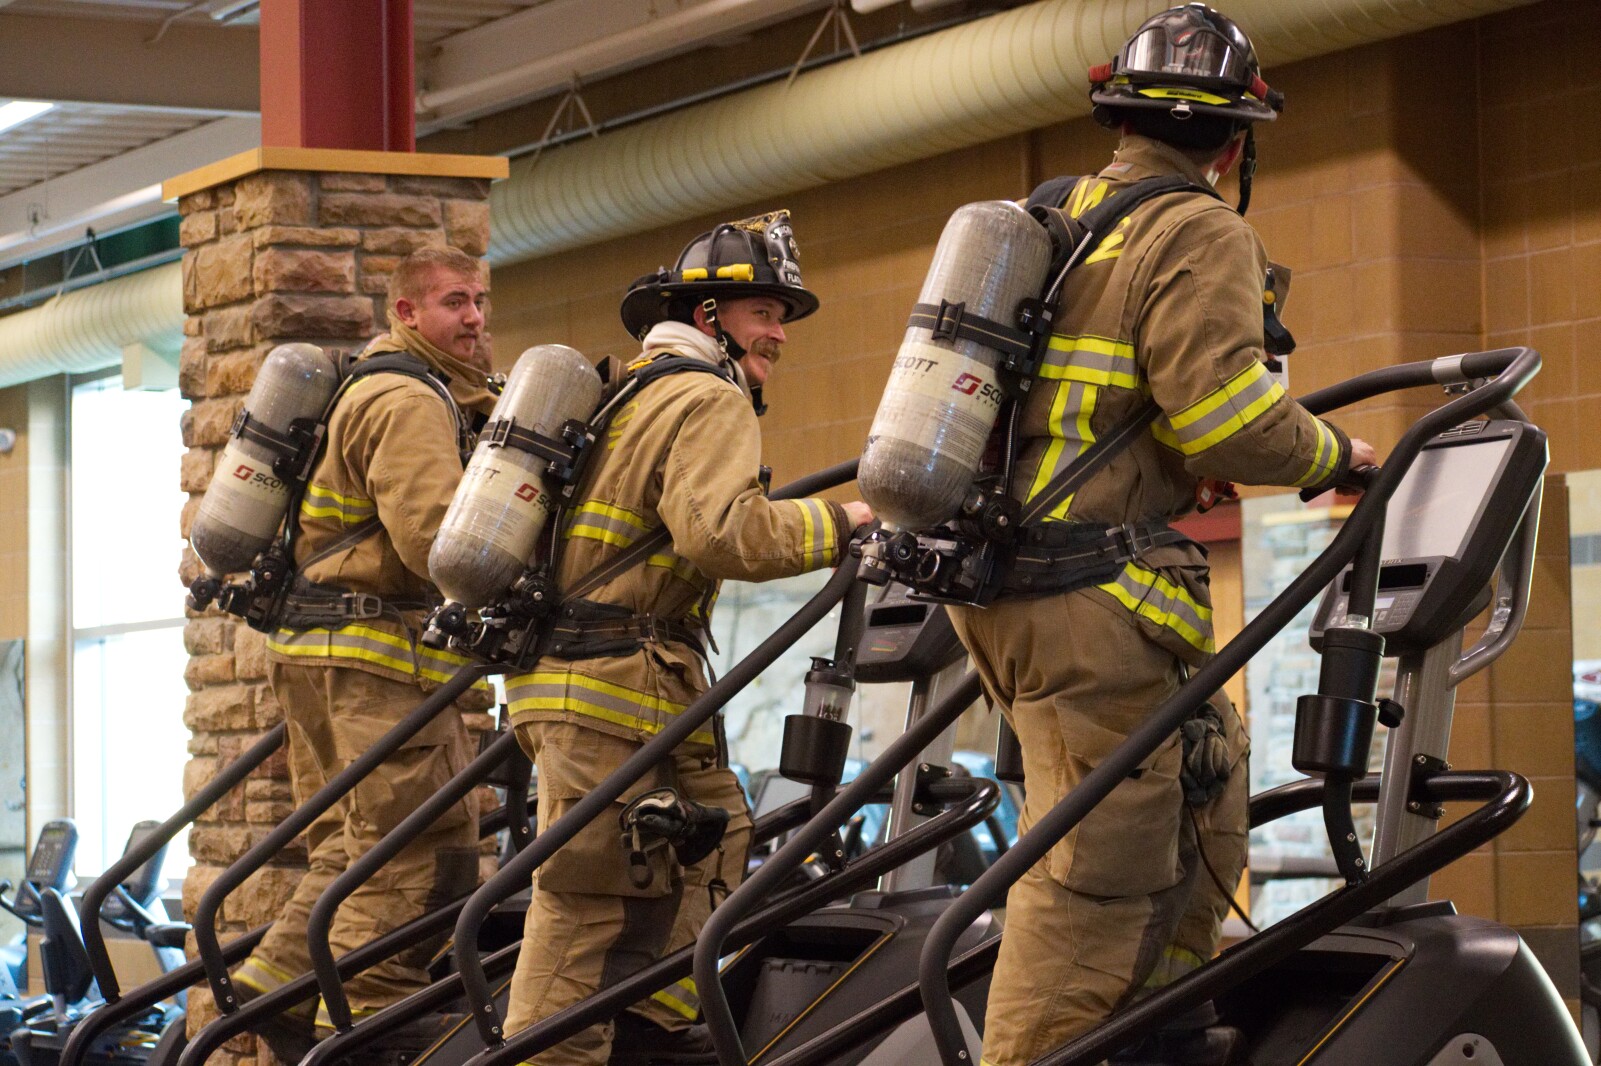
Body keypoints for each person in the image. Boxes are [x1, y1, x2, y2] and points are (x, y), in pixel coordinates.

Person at [941, 7, 1379, 1065]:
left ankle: (1163, 1036)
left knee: (1199, 795)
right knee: (1096, 872)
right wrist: (1343, 459)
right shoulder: (1198, 228)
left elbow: (1107, 414)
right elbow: (1224, 413)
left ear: (1118, 119)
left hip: (1030, 584)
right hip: (1088, 595)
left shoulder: (1064, 219)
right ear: (1235, 145)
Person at [499, 210, 874, 1066]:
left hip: (613, 681)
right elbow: (724, 536)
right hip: (613, 684)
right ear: (708, 317)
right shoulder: (706, 396)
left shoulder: (632, 392)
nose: (779, 333)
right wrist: (844, 522)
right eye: (762, 313)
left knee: (712, 835)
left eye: (782, 315)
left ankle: (656, 1034)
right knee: (586, 897)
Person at [232, 245, 501, 1055]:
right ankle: (368, 1025)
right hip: (375, 659)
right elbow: (432, 540)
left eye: (481, 301)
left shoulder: (359, 388)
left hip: (313, 652)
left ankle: (269, 992)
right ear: (406, 314)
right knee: (426, 850)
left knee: (351, 847)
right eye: (456, 302)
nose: (476, 318)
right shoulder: (407, 399)